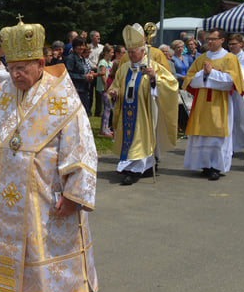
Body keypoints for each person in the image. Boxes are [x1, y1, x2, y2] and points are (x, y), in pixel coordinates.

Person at [0, 20, 99, 292]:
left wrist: (74, 195)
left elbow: (82, 148)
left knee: (45, 254)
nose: (15, 75)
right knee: (10, 255)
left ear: (40, 64)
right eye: (10, 67)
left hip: (48, 197)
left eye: (22, 68)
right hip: (8, 202)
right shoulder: (5, 97)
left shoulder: (64, 99)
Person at [108, 24, 179, 185]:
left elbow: (171, 85)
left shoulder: (152, 67)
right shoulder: (124, 67)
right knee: (131, 138)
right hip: (127, 110)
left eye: (134, 52)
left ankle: (135, 171)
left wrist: (154, 79)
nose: (131, 55)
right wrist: (114, 94)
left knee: (141, 139)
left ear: (142, 51)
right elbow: (116, 86)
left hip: (144, 111)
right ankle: (142, 167)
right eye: (129, 52)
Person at [181, 28, 244, 180]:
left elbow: (232, 82)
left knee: (217, 135)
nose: (209, 42)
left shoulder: (230, 58)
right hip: (202, 103)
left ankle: (216, 167)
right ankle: (204, 165)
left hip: (221, 103)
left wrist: (211, 73)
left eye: (213, 39)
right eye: (208, 39)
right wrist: (204, 74)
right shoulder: (201, 58)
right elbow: (189, 80)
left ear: (222, 40)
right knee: (202, 135)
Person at [63, 35, 95, 114]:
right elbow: (68, 74)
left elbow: (84, 71)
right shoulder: (71, 58)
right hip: (76, 90)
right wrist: (84, 77)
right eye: (79, 45)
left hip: (84, 89)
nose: (81, 47)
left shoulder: (83, 58)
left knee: (85, 113)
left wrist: (90, 74)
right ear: (74, 46)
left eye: (83, 45)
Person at [97, 44, 115, 136]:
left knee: (108, 108)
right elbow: (103, 74)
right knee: (107, 108)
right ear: (106, 53)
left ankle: (105, 127)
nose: (113, 54)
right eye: (111, 52)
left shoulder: (109, 62)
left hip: (108, 88)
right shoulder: (103, 62)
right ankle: (103, 129)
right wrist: (106, 85)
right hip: (104, 88)